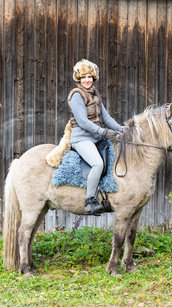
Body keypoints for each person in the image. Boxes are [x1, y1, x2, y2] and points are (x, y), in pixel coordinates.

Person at [68, 59, 123, 216]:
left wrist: (121, 129)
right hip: (82, 138)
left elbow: (105, 117)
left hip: (96, 138)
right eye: (83, 77)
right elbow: (83, 122)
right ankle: (89, 202)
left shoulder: (95, 93)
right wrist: (104, 132)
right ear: (78, 78)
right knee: (97, 164)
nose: (87, 80)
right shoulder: (76, 95)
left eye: (89, 77)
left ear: (94, 78)